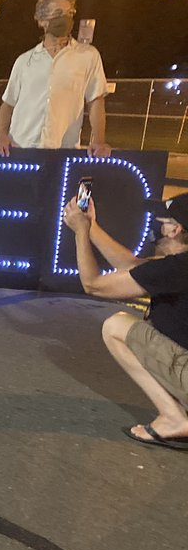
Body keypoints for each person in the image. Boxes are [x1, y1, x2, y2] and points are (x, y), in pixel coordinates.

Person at [63, 192, 188, 449]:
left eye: (161, 220)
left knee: (116, 326)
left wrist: (79, 233)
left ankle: (174, 418)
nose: (155, 225)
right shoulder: (177, 267)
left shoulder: (177, 269)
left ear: (175, 230)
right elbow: (132, 266)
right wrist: (92, 226)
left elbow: (94, 285)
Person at [0, 0, 110, 158]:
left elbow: (96, 100)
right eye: (57, 12)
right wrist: (1, 136)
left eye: (69, 13)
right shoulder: (24, 61)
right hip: (19, 150)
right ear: (42, 21)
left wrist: (99, 140)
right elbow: (8, 104)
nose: (64, 18)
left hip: (61, 152)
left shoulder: (88, 56)